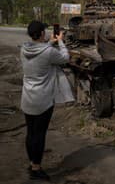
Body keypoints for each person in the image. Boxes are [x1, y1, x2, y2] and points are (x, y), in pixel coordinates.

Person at [21, 20, 74, 180]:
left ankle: (32, 164)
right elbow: (65, 58)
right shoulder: (49, 52)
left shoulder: (23, 49)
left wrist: (50, 42)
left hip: (27, 98)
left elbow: (41, 50)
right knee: (40, 135)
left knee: (30, 133)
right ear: (43, 33)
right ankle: (36, 168)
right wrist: (60, 42)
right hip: (43, 100)